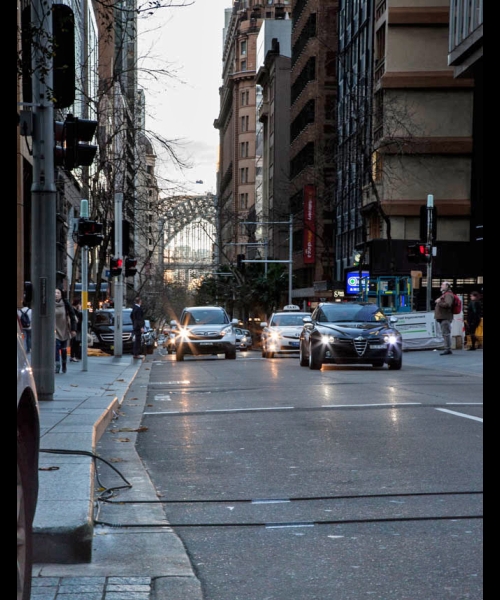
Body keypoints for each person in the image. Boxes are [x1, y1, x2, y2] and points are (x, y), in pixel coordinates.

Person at [55, 288, 77, 373]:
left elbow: (72, 316)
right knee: (56, 346)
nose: (56, 294)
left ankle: (64, 364)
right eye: (54, 292)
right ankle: (57, 365)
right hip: (54, 330)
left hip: (64, 328)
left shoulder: (65, 303)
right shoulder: (49, 303)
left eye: (58, 292)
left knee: (64, 349)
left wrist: (73, 329)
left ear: (61, 294)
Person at [434, 281, 454, 355]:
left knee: (446, 334)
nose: (441, 286)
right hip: (443, 317)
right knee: (445, 333)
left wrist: (438, 302)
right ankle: (447, 348)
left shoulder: (448, 295)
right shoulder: (445, 294)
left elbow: (448, 304)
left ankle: (447, 349)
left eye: (443, 285)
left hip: (445, 317)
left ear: (447, 286)